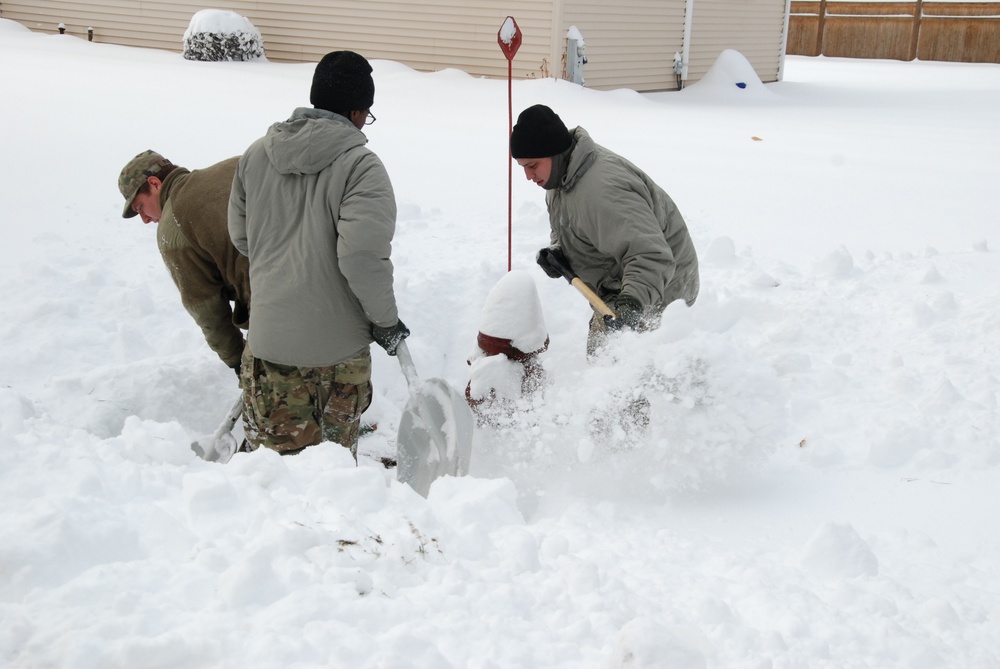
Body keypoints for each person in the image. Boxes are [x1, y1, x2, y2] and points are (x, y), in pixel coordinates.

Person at [228, 50, 408, 459]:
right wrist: (386, 322)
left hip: (267, 349)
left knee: (268, 475)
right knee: (330, 479)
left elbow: (242, 237)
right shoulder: (361, 167)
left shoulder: (255, 155)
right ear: (358, 111)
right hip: (335, 358)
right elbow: (361, 258)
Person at [510, 104, 700, 357]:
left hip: (659, 289)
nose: (528, 175)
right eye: (523, 167)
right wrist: (559, 251)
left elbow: (652, 256)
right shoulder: (559, 180)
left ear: (554, 153)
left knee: (634, 368)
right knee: (604, 360)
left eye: (532, 165)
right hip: (619, 286)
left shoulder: (603, 191)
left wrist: (631, 304)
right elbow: (570, 225)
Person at [118, 150, 250, 375]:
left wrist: (237, 360)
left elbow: (206, 307)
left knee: (272, 392)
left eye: (140, 207)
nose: (145, 219)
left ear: (154, 184)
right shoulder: (237, 165)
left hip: (280, 308)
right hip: (316, 271)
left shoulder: (174, 225)